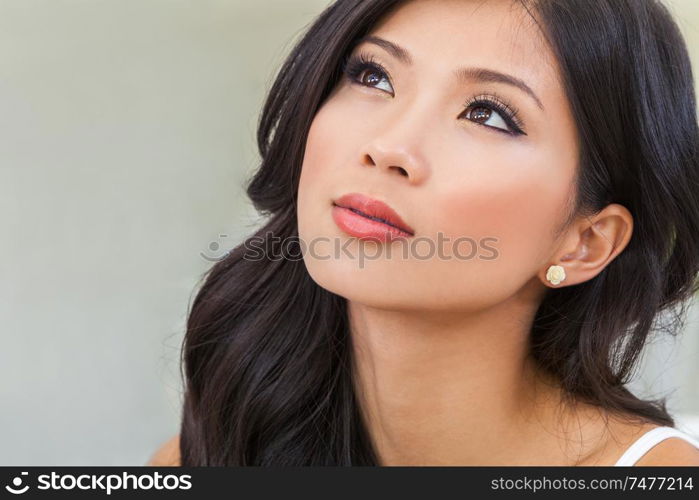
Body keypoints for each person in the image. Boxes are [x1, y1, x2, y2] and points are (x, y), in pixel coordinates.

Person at [149, 0, 699, 465]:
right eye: (374, 76)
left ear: (586, 243)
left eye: (486, 114)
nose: (389, 146)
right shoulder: (205, 457)